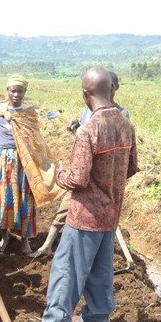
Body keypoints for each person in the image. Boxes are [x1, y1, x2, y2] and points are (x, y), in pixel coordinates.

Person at [21, 67, 138, 322]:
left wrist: (60, 173)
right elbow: (132, 168)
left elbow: (78, 179)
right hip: (110, 214)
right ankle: (96, 320)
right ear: (111, 89)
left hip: (85, 216)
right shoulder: (126, 125)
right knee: (100, 270)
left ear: (85, 93)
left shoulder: (88, 130)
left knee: (67, 270)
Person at [31, 71, 130, 259]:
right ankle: (48, 245)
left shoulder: (121, 116)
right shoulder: (95, 112)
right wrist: (76, 127)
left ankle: (52, 248)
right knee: (65, 213)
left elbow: (81, 174)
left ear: (113, 88)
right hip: (93, 183)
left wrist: (60, 175)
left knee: (71, 262)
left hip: (90, 188)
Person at [0, 74, 38, 254]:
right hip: (2, 160)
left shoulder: (28, 113)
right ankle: (4, 236)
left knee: (25, 198)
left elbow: (35, 139)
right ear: (7, 90)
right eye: (13, 91)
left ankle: (25, 239)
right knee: (2, 197)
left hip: (23, 161)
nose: (16, 95)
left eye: (20, 91)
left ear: (25, 92)